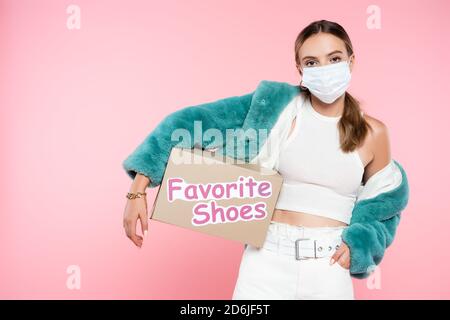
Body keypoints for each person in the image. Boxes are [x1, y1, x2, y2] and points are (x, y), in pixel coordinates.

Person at [122, 20, 409, 300]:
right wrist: (139, 185)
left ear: (351, 61)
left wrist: (361, 246)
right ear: (300, 69)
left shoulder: (374, 133)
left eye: (334, 58)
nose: (323, 69)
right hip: (265, 262)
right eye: (311, 62)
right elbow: (192, 121)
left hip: (329, 267)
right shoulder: (274, 106)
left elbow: (384, 204)